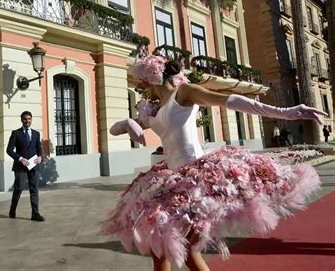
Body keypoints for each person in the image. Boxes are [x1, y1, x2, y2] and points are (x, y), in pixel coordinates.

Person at [101, 54, 325, 271]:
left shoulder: (184, 93)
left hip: (196, 179)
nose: (143, 88)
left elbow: (229, 101)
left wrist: (285, 113)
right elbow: (118, 130)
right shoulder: (153, 108)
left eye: (142, 82)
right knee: (161, 249)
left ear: (150, 78)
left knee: (184, 250)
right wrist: (127, 123)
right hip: (170, 180)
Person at [7, 111, 44, 221]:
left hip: (33, 165)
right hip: (20, 166)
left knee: (34, 189)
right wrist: (20, 159)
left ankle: (35, 214)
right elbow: (9, 150)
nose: (27, 121)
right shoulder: (16, 133)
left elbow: (39, 148)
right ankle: (12, 210)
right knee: (18, 189)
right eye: (25, 119)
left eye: (29, 119)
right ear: (21, 120)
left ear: (31, 119)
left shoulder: (36, 134)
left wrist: (40, 157)